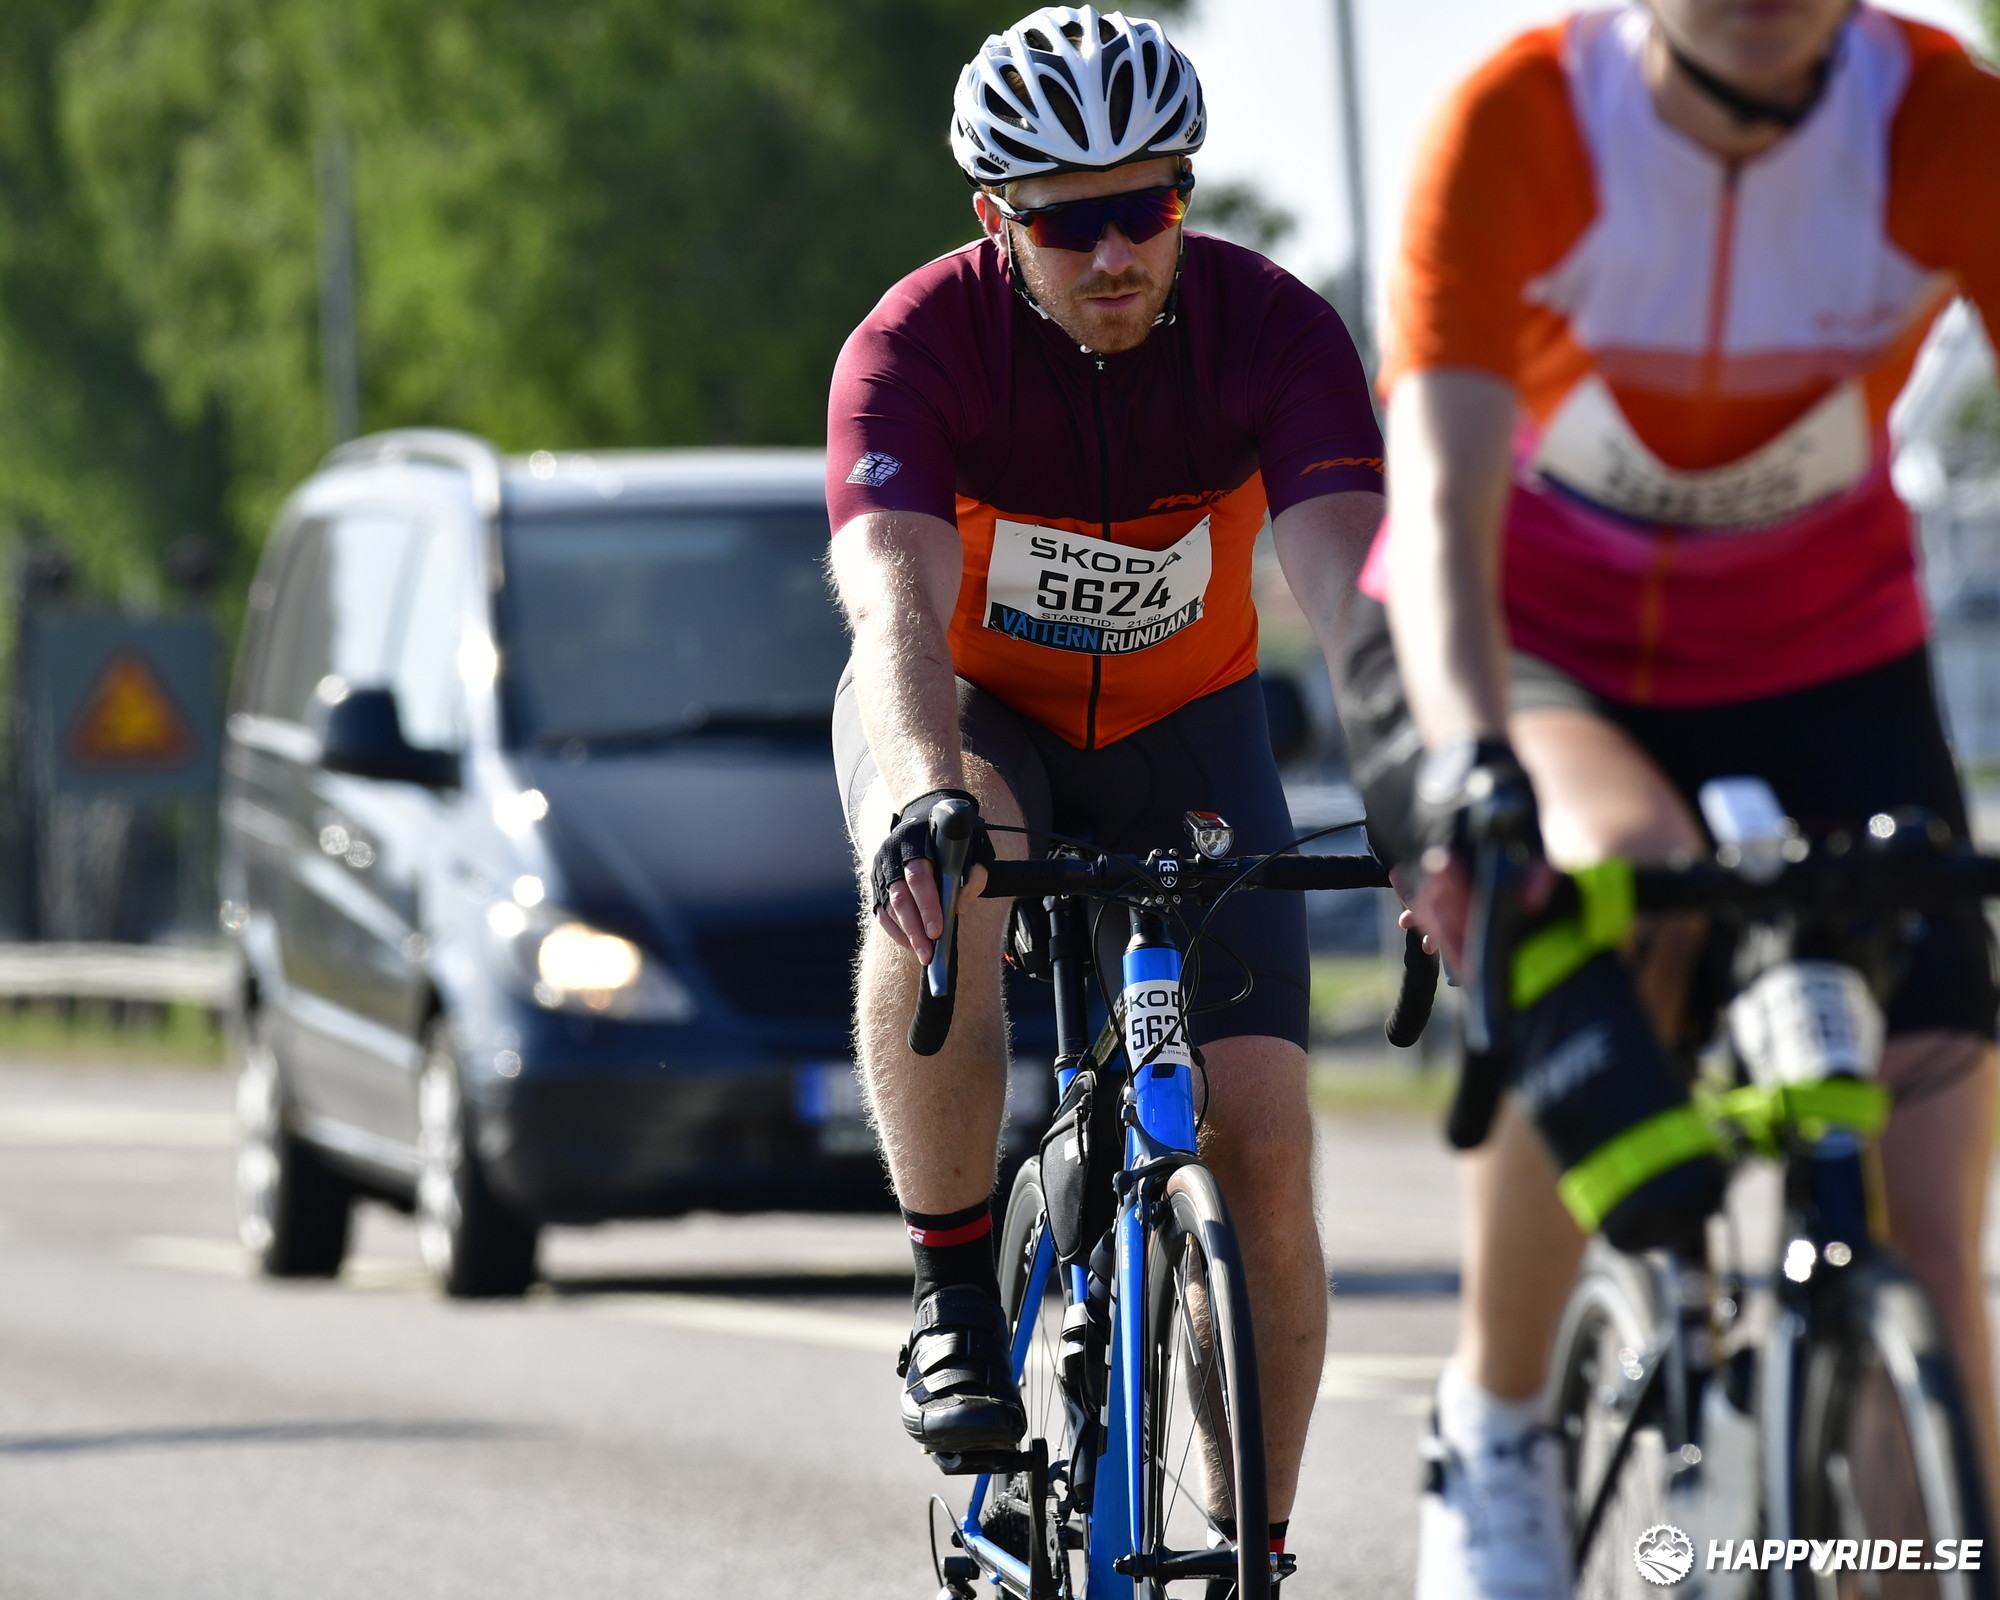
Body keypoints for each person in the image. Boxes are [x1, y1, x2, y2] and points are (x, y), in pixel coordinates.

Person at [1331, 2, 2000, 1595]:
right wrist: (1474, 767)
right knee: (1618, 876)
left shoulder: (1941, 125)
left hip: (1822, 645)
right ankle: (1498, 1423)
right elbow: (1439, 504)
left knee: (1928, 1200)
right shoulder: (1525, 127)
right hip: (1528, 637)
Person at [824, 4, 1385, 1576]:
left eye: (1147, 207)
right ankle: (953, 1293)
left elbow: (1355, 596)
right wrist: (920, 792)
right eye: (1070, 225)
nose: (1117, 253)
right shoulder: (918, 345)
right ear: (995, 219)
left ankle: (1256, 1548)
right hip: (972, 712)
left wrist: (1420, 778)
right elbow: (894, 609)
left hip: (1184, 731)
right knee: (950, 871)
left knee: (1262, 1141)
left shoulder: (1277, 333)